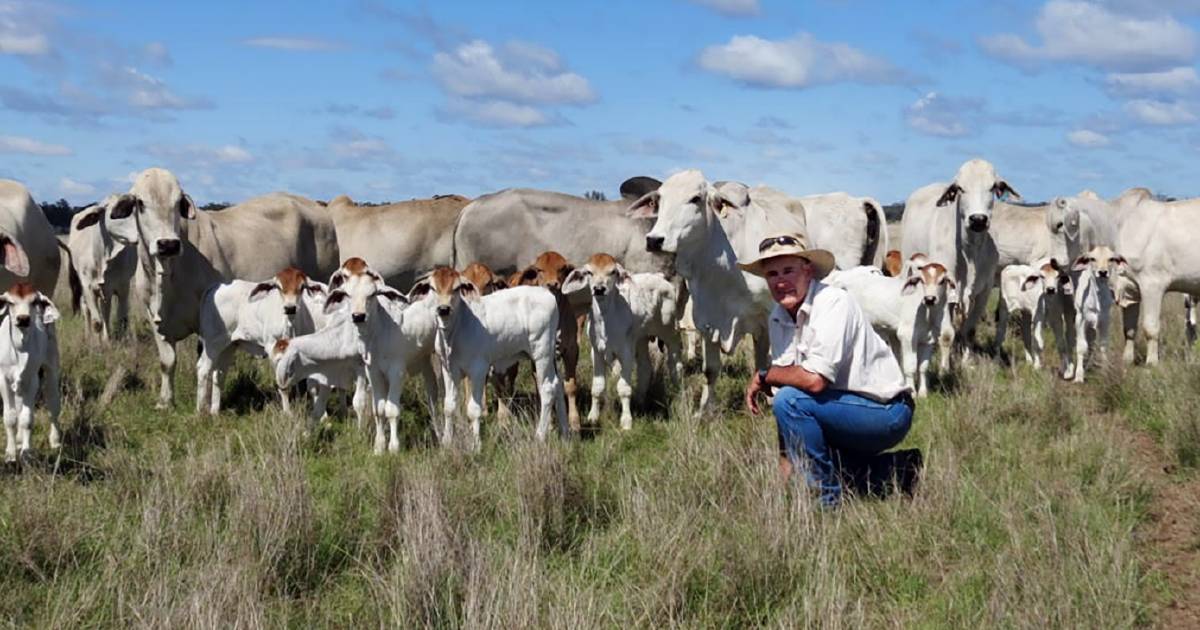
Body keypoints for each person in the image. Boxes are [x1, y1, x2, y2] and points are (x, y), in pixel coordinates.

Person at [741, 234, 921, 507]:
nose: (780, 281)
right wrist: (784, 468)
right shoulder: (777, 316)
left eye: (789, 270)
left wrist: (764, 375)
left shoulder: (833, 301)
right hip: (839, 408)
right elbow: (786, 393)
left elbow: (812, 382)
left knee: (792, 402)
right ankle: (899, 468)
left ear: (808, 271)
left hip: (886, 411)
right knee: (813, 454)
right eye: (772, 274)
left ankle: (826, 501)